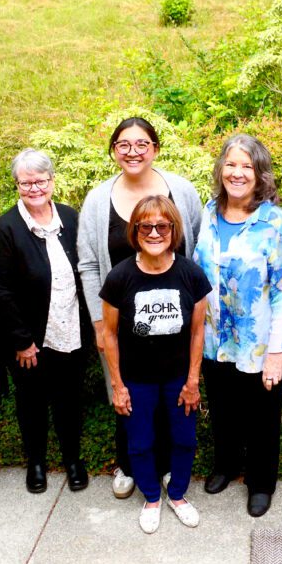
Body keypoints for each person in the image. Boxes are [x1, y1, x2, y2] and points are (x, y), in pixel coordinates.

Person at [77, 117, 202, 499]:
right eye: (124, 145)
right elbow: (89, 264)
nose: (133, 152)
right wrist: (100, 323)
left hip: (175, 321)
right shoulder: (98, 200)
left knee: (173, 394)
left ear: (156, 148)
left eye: (142, 143)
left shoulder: (181, 191)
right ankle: (129, 465)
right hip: (120, 324)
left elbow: (197, 246)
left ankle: (166, 467)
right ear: (114, 150)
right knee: (127, 393)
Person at [193, 134, 282, 518]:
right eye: (231, 164)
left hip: (261, 342)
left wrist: (277, 352)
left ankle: (260, 483)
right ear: (220, 170)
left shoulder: (275, 223)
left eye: (246, 166)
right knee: (222, 408)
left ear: (260, 174)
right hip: (215, 338)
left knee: (262, 415)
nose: (237, 173)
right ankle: (225, 465)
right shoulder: (208, 214)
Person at [100, 195, 211, 534]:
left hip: (178, 378)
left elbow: (197, 332)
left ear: (173, 230)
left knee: (184, 439)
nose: (153, 233)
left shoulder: (191, 274)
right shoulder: (120, 277)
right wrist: (118, 386)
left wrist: (193, 381)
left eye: (162, 226)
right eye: (145, 226)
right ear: (134, 231)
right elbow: (109, 335)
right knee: (140, 442)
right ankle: (151, 497)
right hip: (137, 379)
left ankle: (176, 495)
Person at [0, 148, 90, 495]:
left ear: (52, 181)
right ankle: (36, 463)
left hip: (70, 329)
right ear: (17, 185)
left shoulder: (69, 218)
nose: (34, 189)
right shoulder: (7, 228)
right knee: (31, 402)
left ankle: (73, 460)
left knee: (69, 400)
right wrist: (21, 340)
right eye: (26, 183)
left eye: (40, 181)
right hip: (30, 339)